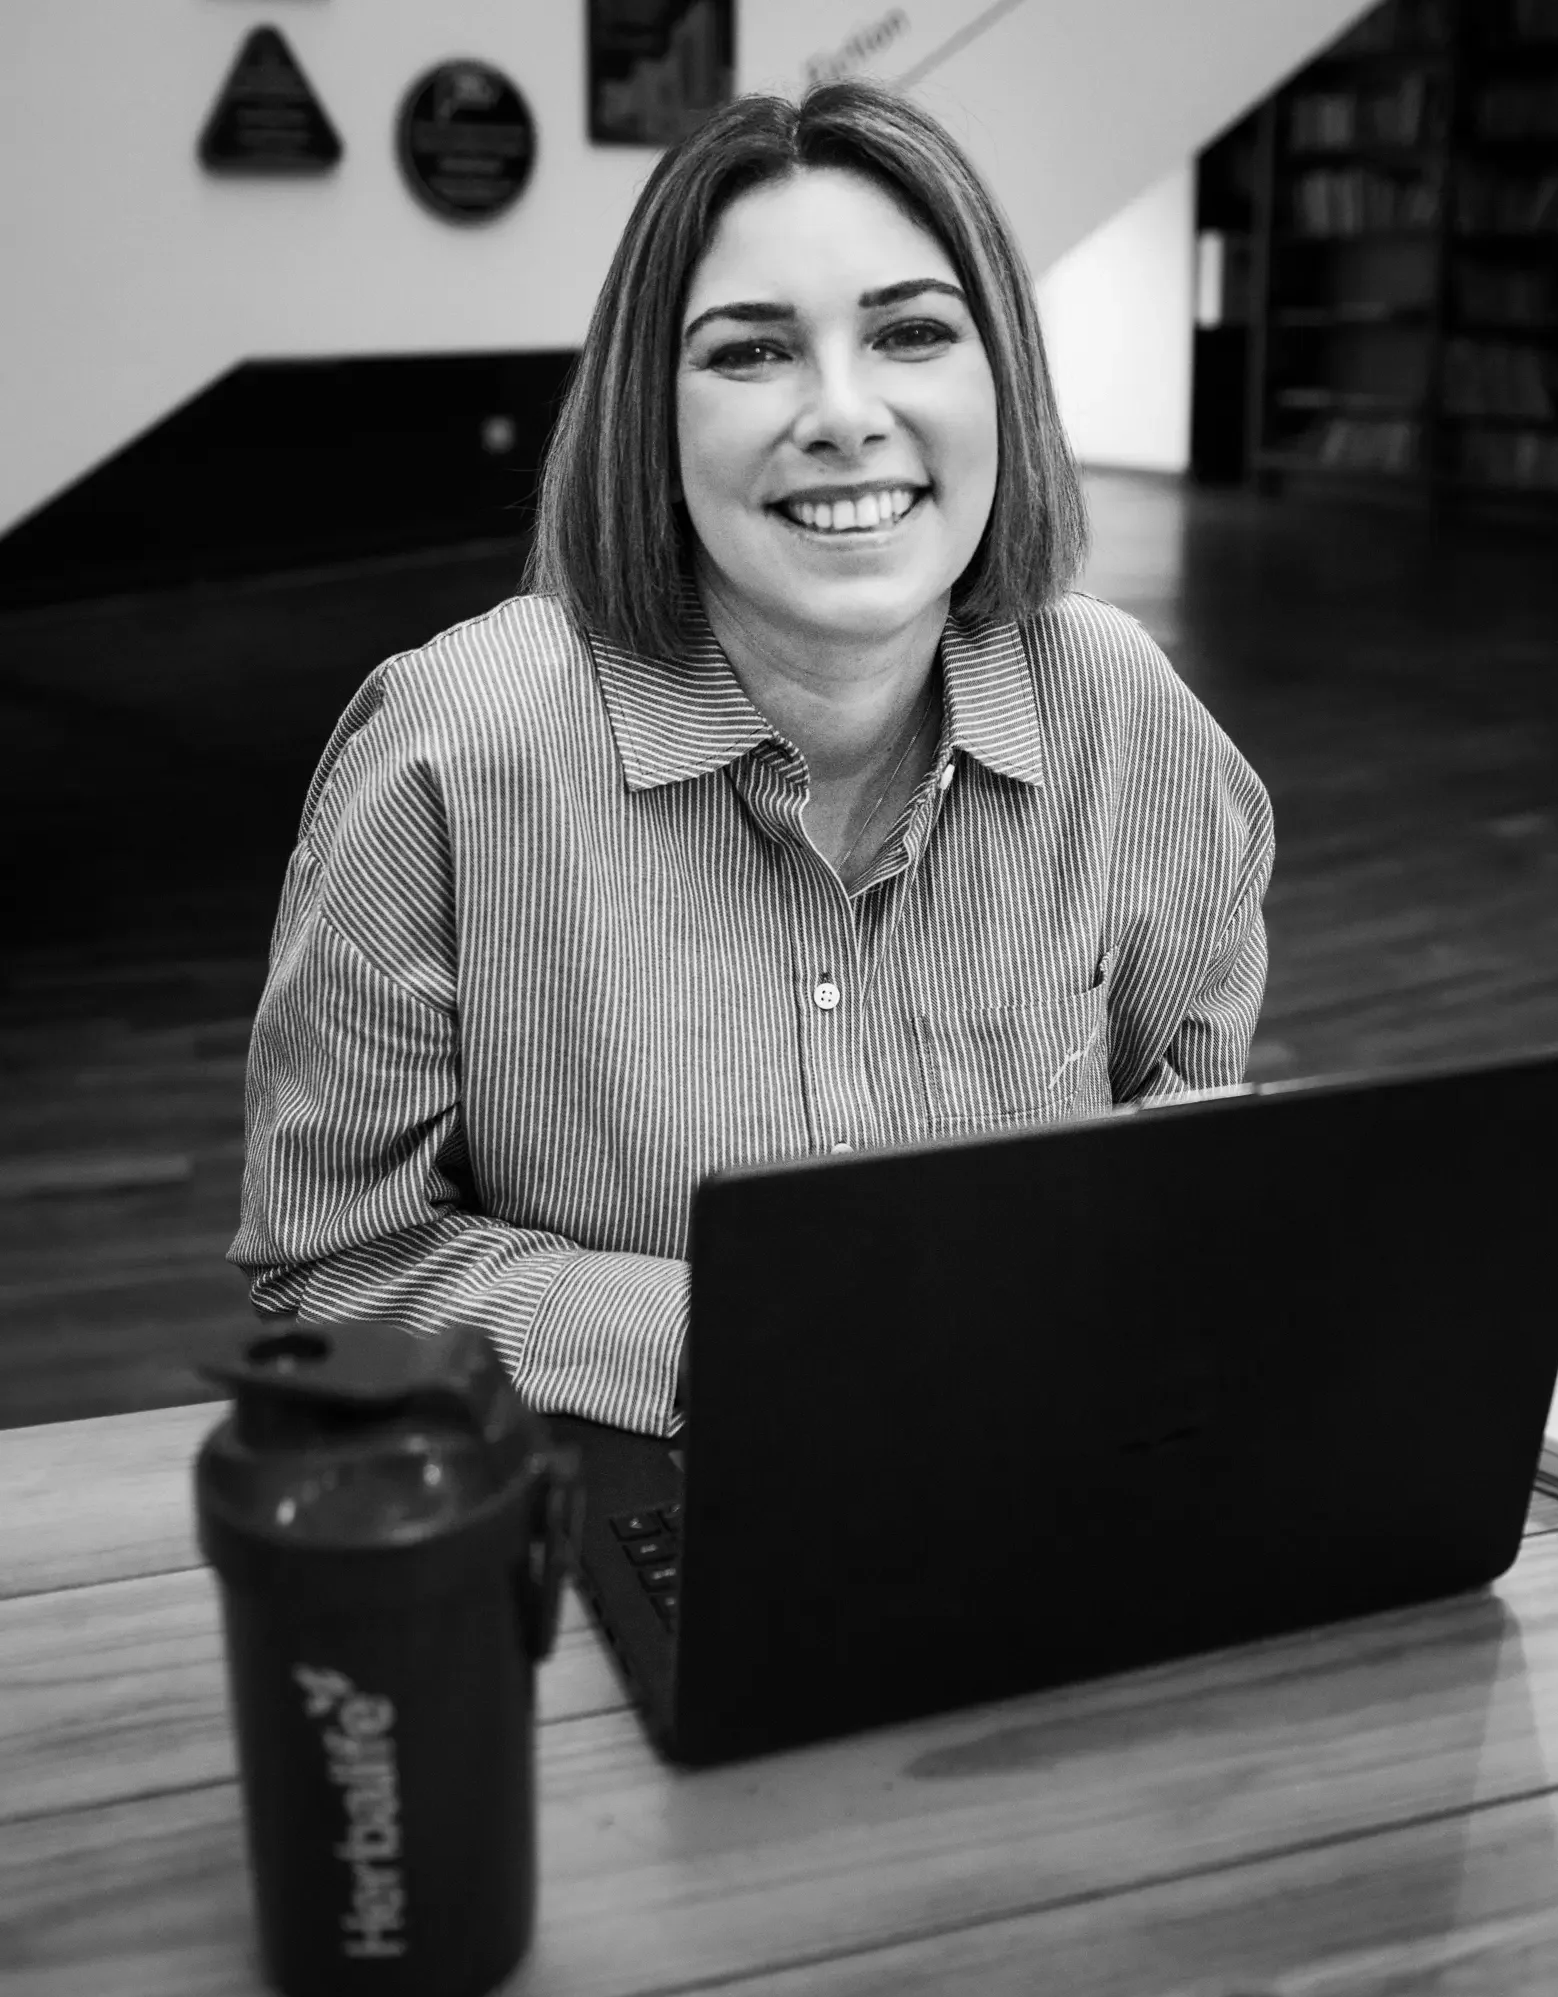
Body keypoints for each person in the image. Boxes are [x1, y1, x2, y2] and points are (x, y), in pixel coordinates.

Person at [230, 80, 1276, 1437]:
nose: (843, 414)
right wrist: (760, 1335)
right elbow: (331, 1261)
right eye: (749, 353)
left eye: (909, 332)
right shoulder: (455, 746)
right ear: (650, 425)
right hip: (637, 1490)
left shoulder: (1124, 715)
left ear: (1001, 381)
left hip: (1041, 1456)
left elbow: (1185, 1171)